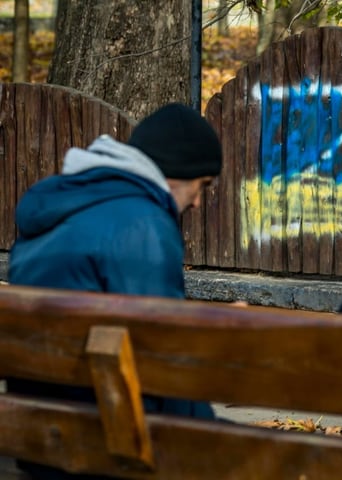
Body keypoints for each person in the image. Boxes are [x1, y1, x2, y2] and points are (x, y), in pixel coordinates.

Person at [7, 102, 223, 479]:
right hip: (108, 445)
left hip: (37, 442)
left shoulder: (52, 210)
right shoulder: (143, 224)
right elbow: (162, 360)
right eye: (202, 185)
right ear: (176, 174)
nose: (200, 201)